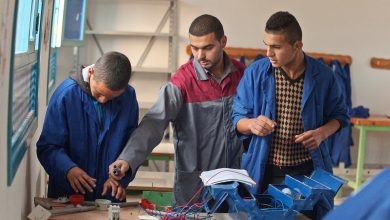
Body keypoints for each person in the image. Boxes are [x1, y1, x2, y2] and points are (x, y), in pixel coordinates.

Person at [109, 14, 245, 207]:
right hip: (194, 191)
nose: (200, 56)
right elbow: (153, 123)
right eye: (195, 48)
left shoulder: (243, 76)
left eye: (207, 48)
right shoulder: (181, 83)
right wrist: (127, 158)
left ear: (223, 42)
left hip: (234, 187)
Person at [232, 11, 349, 218]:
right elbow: (237, 119)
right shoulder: (255, 73)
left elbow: (340, 116)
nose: (268, 53)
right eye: (266, 44)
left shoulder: (323, 76)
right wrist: (251, 124)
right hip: (264, 169)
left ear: (297, 46)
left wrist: (322, 133)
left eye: (276, 47)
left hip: (307, 171)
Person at [36, 51, 139, 202]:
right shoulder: (66, 95)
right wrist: (68, 169)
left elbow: (132, 145)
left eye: (112, 97)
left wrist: (120, 180)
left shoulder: (128, 97)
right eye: (99, 94)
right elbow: (48, 147)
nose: (103, 101)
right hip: (68, 196)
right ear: (91, 72)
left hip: (109, 196)